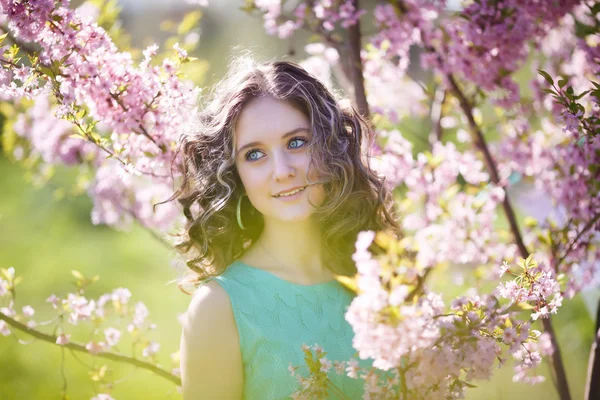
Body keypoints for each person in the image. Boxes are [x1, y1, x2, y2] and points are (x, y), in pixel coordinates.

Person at [172, 55, 399, 399]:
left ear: (330, 147)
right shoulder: (218, 308)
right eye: (254, 154)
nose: (282, 171)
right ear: (236, 174)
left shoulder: (383, 282)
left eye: (296, 142)